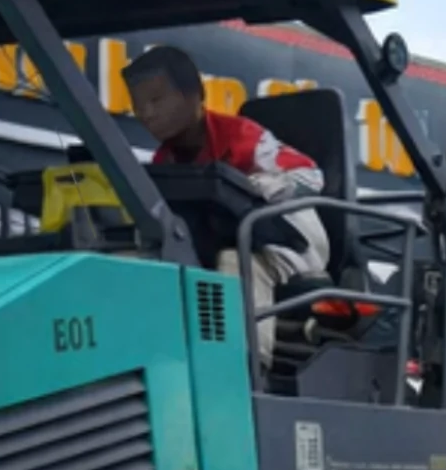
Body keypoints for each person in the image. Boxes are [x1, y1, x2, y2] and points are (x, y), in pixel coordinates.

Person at [123, 44, 329, 367]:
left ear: (193, 95)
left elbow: (310, 174)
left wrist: (255, 187)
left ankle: (245, 370)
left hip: (289, 240)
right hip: (219, 241)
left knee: (234, 262)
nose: (146, 114)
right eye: (138, 105)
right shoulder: (165, 160)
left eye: (156, 100)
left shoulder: (241, 136)